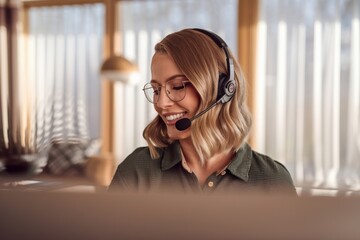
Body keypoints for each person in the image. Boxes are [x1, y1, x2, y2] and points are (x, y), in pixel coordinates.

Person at [108, 28, 297, 195]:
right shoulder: (137, 170)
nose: (161, 103)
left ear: (222, 90)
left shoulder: (272, 180)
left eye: (177, 86)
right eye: (156, 90)